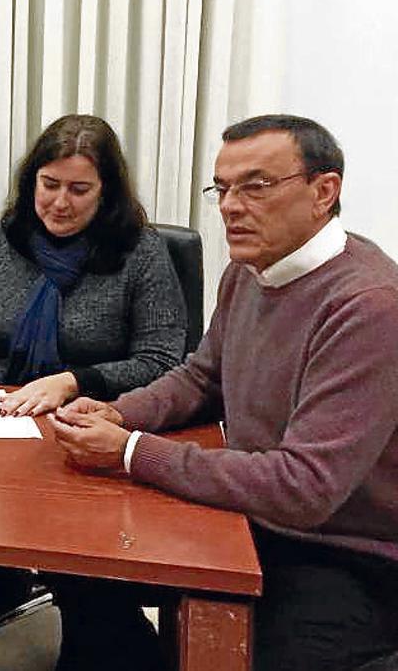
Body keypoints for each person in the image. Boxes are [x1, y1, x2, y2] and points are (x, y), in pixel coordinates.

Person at [52, 114, 398, 671]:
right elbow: (203, 378)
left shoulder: (368, 306)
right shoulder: (250, 269)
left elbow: (305, 487)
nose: (231, 207)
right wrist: (118, 413)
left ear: (323, 192)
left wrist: (130, 451)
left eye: (256, 186)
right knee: (78, 557)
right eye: (223, 188)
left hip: (344, 553)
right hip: (250, 513)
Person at [0, 114, 188, 653]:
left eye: (79, 189)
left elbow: (163, 360)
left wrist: (73, 381)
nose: (60, 203)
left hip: (91, 435)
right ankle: (1, 580)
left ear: (106, 193)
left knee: (92, 593)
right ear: (31, 182)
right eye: (49, 185)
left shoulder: (140, 253)